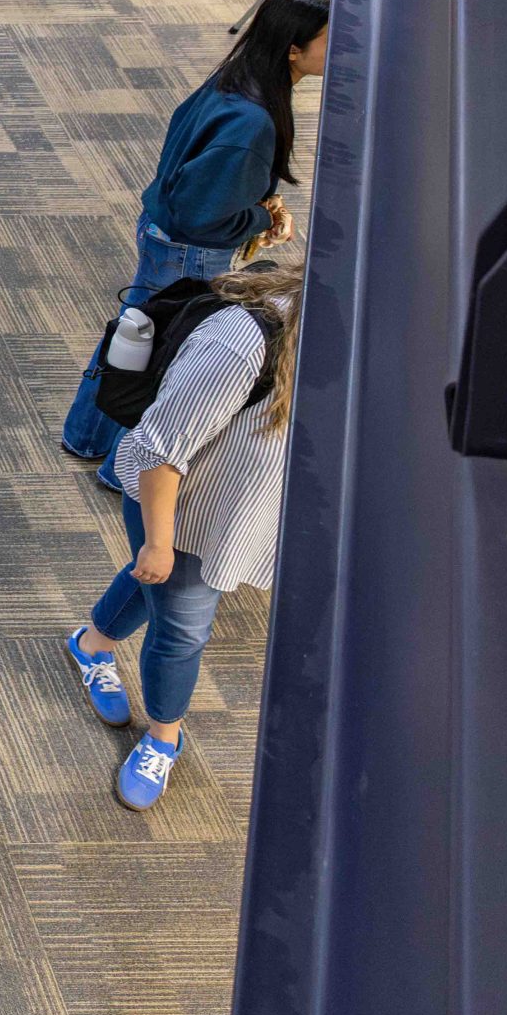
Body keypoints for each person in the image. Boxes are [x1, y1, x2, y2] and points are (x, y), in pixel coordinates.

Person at [61, 0, 330, 485]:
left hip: (163, 232)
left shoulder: (238, 79)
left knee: (134, 337)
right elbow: (202, 214)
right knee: (164, 357)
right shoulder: (254, 122)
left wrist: (256, 202)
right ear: (294, 48)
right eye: (330, 39)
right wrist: (260, 219)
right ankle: (123, 471)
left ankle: (86, 436)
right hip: (190, 250)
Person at [65, 263, 302, 810]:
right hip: (186, 512)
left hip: (237, 512)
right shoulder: (241, 342)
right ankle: (164, 739)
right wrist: (158, 541)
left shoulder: (361, 345)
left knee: (158, 586)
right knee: (181, 629)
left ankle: (91, 644)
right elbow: (158, 449)